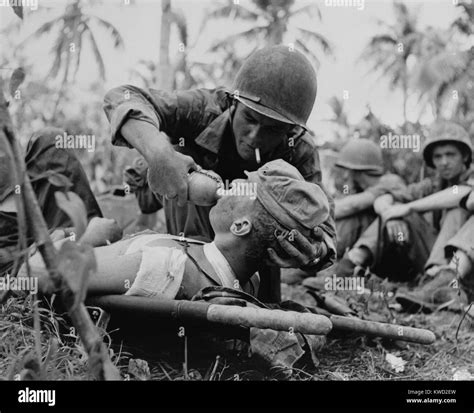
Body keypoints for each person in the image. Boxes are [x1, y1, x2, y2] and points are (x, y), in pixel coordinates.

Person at [103, 45, 337, 301]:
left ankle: (251, 301)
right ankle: (191, 276)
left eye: (272, 129)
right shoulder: (205, 109)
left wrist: (313, 251)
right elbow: (121, 97)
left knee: (266, 285)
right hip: (171, 197)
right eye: (250, 119)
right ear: (233, 103)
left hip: (250, 252)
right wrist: (160, 155)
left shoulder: (299, 149)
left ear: (291, 130)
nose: (254, 137)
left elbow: (324, 233)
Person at [30, 160, 329, 300]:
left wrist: (87, 237)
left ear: (240, 226)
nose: (233, 183)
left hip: (37, 262)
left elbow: (34, 276)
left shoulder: (167, 265)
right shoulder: (249, 281)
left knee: (53, 153)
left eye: (243, 187)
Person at [340, 121, 473, 311]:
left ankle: (444, 280)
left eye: (450, 154)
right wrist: (393, 215)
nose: (444, 162)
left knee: (455, 209)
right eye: (438, 156)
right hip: (433, 264)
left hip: (466, 267)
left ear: (465, 155)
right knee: (398, 211)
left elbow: (461, 194)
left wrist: (408, 208)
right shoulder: (431, 186)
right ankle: (349, 264)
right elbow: (384, 198)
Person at [0, 128, 105, 277]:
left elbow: (107, 229)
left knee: (51, 139)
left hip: (55, 231)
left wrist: (67, 233)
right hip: (18, 260)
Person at [333, 138, 405, 259]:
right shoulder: (362, 188)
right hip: (374, 249)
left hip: (395, 250)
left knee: (350, 217)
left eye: (348, 170)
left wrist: (316, 213)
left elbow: (352, 205)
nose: (345, 175)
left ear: (357, 172)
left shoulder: (389, 181)